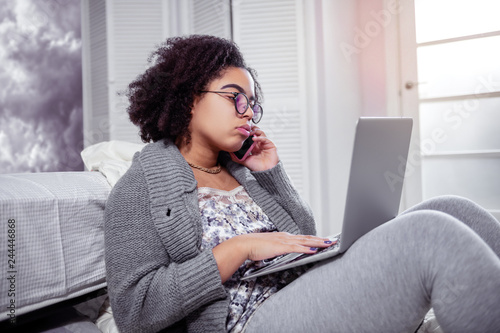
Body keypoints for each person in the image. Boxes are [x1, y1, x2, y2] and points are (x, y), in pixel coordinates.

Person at [104, 35, 500, 333]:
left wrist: (270, 172)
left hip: (301, 289)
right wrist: (238, 249)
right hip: (249, 320)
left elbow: (301, 239)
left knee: (454, 210)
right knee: (430, 236)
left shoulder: (241, 170)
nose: (249, 114)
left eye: (252, 103)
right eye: (234, 98)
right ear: (189, 98)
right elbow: (135, 312)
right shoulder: (140, 188)